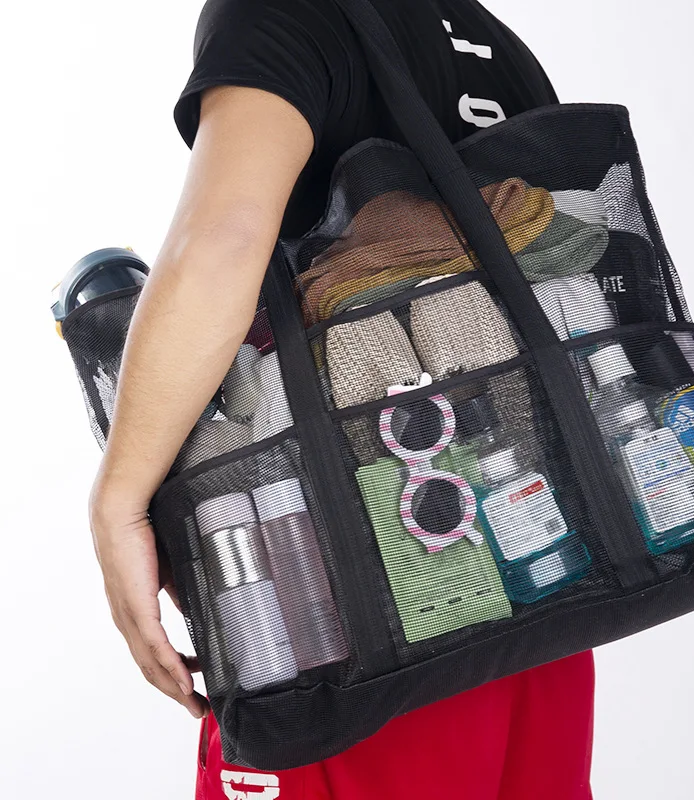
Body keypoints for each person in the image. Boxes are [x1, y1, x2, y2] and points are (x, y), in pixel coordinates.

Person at [87, 0, 595, 797]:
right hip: (542, 586)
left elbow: (223, 242)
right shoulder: (484, 38)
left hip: (351, 610)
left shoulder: (276, 12)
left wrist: (118, 499)